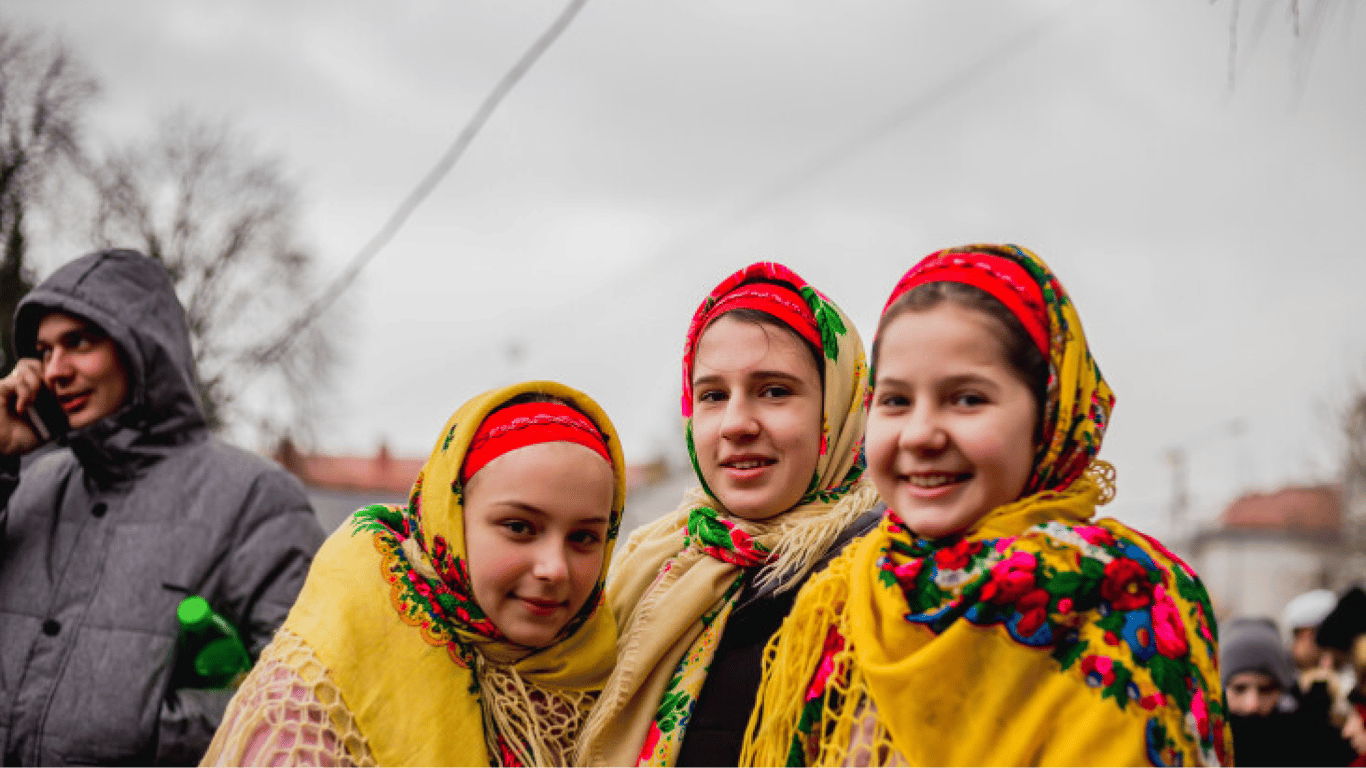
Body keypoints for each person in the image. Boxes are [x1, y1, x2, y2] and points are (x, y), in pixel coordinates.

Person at [742, 244, 1232, 767]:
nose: (920, 434)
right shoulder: (840, 600)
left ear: (1049, 417)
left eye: (967, 399)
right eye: (895, 400)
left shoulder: (1126, 601)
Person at [0, 248, 325, 766]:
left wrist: (147, 733)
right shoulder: (30, 482)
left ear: (142, 349)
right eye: (42, 351)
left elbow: (301, 687)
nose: (55, 370)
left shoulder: (256, 497)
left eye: (79, 343)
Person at [201, 381, 626, 767]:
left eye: (585, 538)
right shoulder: (327, 685)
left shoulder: (625, 677)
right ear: (451, 518)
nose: (554, 568)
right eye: (519, 527)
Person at [576, 262, 882, 768]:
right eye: (714, 395)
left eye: (775, 391)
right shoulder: (648, 565)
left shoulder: (880, 579)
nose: (736, 424)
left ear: (839, 407)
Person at [1221, 616, 1355, 767]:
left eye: (1265, 689)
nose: (1252, 704)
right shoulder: (1200, 745)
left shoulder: (1305, 740)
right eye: (1239, 688)